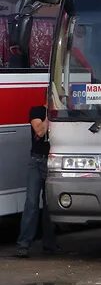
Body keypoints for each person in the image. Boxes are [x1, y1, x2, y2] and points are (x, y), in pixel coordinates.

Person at [15, 102, 58, 258]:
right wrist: (50, 116)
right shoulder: (37, 111)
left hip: (51, 161)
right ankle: (23, 244)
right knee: (32, 203)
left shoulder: (63, 114)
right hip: (37, 161)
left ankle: (49, 244)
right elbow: (39, 132)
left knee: (49, 205)